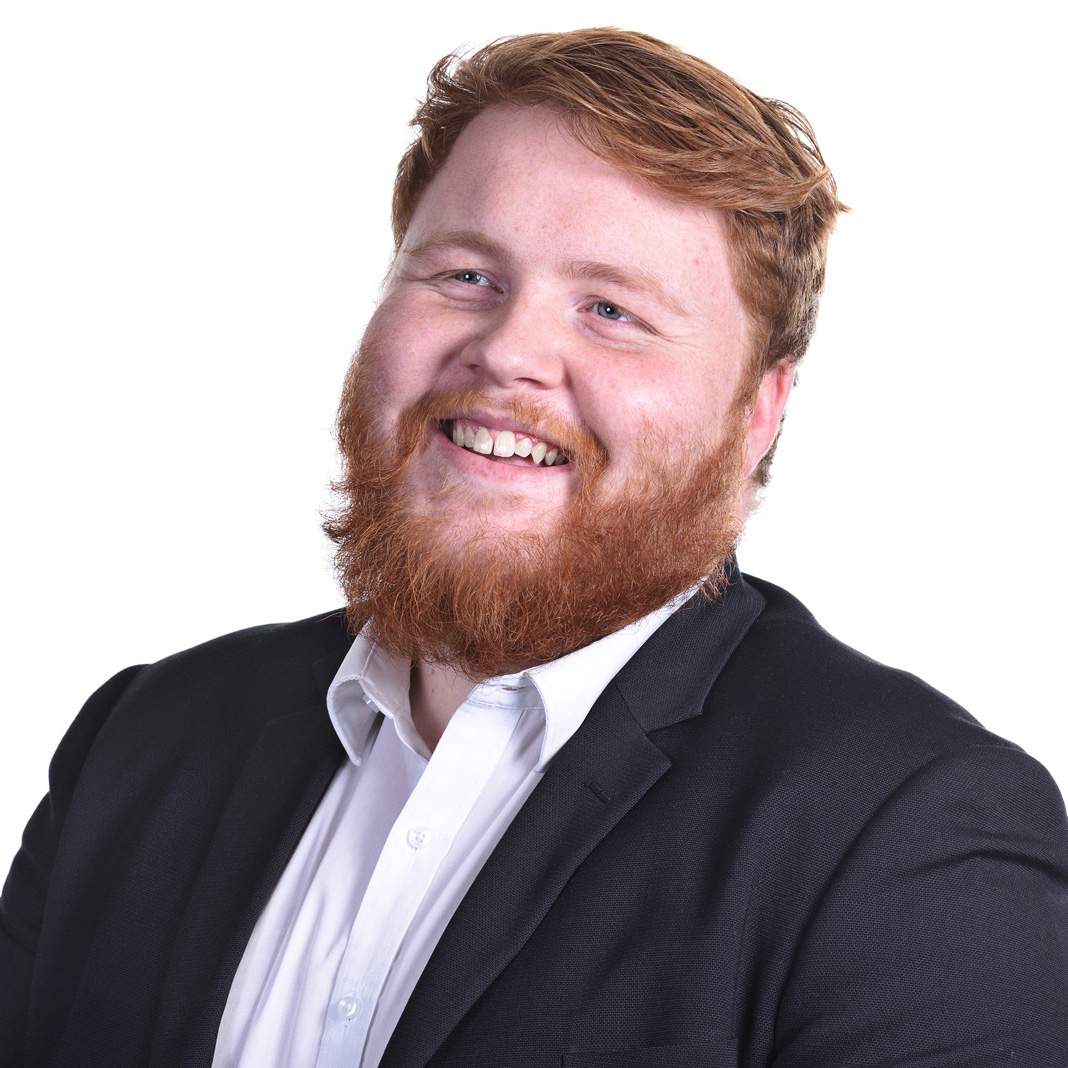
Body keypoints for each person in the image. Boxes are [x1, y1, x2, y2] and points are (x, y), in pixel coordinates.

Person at [2, 26, 1066, 1068]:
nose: (510, 349)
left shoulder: (911, 835)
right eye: (465, 275)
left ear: (760, 411)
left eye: (610, 309)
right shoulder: (138, 743)